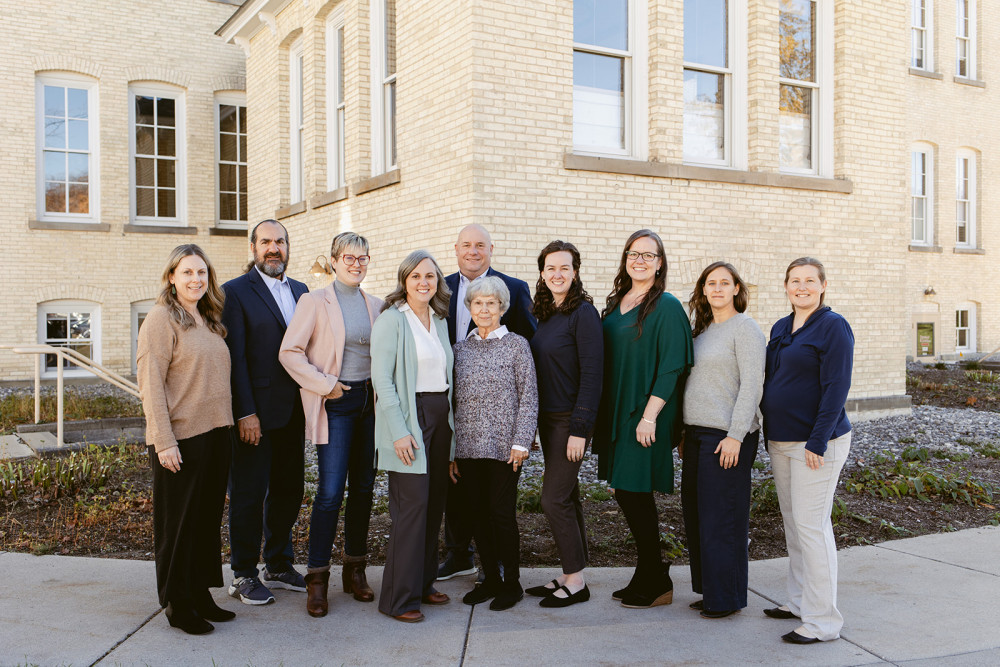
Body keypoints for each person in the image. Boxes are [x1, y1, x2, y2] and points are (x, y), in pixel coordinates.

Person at [279, 232, 383, 617]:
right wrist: (327, 386)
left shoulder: (377, 305)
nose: (356, 264)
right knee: (330, 492)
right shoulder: (314, 301)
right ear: (335, 261)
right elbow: (289, 352)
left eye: (362, 258)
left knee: (364, 489)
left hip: (369, 404)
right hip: (337, 403)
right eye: (348, 257)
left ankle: (355, 569)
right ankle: (317, 577)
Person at [138, 244, 235, 635]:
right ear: (172, 277)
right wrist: (163, 441)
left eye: (202, 272)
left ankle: (199, 592)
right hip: (180, 438)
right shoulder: (161, 318)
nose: (196, 279)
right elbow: (150, 383)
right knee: (178, 526)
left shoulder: (208, 317)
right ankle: (178, 603)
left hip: (216, 434)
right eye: (188, 272)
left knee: (204, 522)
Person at [593, 228, 693, 609]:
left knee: (634, 491)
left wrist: (650, 417)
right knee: (627, 491)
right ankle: (648, 571)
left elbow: (672, 366)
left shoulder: (666, 306)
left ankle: (656, 576)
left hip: (646, 412)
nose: (639, 260)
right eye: (633, 254)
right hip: (619, 411)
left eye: (648, 255)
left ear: (660, 263)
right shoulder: (617, 302)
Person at [760, 257, 854, 644]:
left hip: (817, 443)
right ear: (786, 286)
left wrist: (818, 439)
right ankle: (799, 601)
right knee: (793, 523)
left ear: (823, 285)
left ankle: (823, 622)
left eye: (810, 280)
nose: (802, 287)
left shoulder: (833, 326)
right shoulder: (781, 327)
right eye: (795, 280)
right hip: (781, 440)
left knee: (812, 527)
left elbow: (836, 387)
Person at [439, 224, 538, 582]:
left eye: (480, 245)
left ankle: (504, 575)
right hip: (466, 435)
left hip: (504, 435)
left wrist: (524, 435)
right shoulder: (441, 290)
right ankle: (464, 559)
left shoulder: (515, 303)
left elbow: (529, 384)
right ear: (456, 249)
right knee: (467, 504)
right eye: (466, 244)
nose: (473, 251)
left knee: (499, 510)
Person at [222, 219, 309, 605]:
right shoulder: (235, 292)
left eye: (280, 242)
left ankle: (278, 563)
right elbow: (235, 358)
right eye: (266, 242)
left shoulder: (302, 291)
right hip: (255, 415)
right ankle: (243, 573)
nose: (274, 248)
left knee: (289, 489)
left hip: (294, 412)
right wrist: (245, 412)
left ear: (288, 246)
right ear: (253, 248)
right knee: (248, 493)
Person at [371, 250, 455, 623]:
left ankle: (423, 583)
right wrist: (399, 432)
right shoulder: (391, 320)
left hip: (439, 415)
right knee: (412, 507)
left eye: (430, 276)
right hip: (410, 418)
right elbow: (382, 381)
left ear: (438, 282)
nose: (424, 282)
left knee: (434, 504)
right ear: (404, 280)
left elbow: (446, 378)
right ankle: (398, 599)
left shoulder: (439, 320)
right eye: (416, 276)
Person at [680, 261, 766, 619]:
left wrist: (735, 435)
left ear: (736, 289)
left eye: (724, 283)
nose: (717, 288)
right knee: (698, 515)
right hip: (697, 435)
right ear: (703, 290)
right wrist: (684, 432)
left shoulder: (745, 328)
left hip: (727, 436)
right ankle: (711, 591)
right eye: (710, 283)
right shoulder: (701, 332)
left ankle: (727, 598)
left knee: (722, 518)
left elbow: (752, 385)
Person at [452, 276, 538, 611]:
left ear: (502, 307)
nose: (484, 309)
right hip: (468, 448)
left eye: (491, 303)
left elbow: (529, 397)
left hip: (506, 449)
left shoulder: (517, 345)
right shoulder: (460, 350)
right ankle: (489, 579)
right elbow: (451, 403)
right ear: (470, 307)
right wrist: (451, 451)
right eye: (478, 303)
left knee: (501, 514)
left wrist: (522, 442)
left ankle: (512, 584)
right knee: (477, 515)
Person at [524, 240, 602, 608]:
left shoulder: (583, 313)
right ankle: (573, 571)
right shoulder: (546, 312)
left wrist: (580, 430)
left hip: (569, 420)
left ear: (575, 272)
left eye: (564, 268)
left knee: (552, 499)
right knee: (567, 496)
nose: (557, 274)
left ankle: (576, 580)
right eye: (550, 268)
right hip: (548, 419)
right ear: (542, 273)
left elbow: (593, 374)